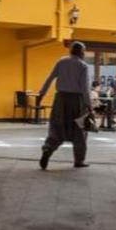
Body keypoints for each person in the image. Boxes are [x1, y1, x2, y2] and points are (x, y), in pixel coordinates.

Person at [38, 41, 92, 169]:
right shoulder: (83, 66)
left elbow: (50, 78)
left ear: (71, 50)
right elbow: (85, 88)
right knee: (79, 129)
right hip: (77, 100)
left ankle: (48, 149)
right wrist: (89, 105)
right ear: (82, 52)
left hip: (60, 99)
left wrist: (42, 94)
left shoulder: (61, 62)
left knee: (57, 127)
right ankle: (79, 160)